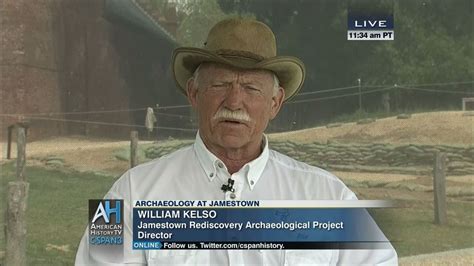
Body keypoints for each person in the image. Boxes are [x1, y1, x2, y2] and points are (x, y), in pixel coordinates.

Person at [76, 18, 398, 265]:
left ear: (275, 103)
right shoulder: (126, 195)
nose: (234, 101)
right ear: (194, 93)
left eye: (251, 89)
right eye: (220, 84)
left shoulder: (331, 199)